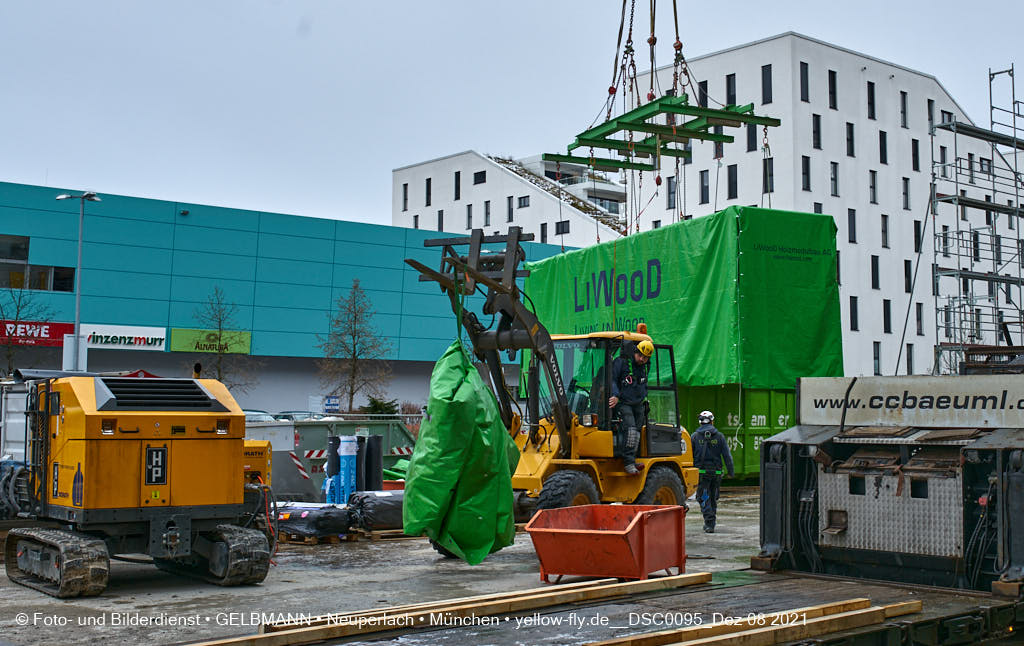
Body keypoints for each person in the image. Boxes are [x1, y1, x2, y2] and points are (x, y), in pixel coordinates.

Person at [609, 339, 654, 475]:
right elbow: (612, 380)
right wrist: (615, 395)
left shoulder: (645, 366)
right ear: (635, 351)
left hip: (638, 404)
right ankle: (628, 462)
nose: (642, 359)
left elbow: (642, 385)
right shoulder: (621, 362)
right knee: (631, 429)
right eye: (640, 355)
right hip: (623, 403)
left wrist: (644, 399)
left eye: (645, 358)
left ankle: (633, 458)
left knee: (638, 432)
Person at [692, 410, 734, 533]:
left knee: (703, 497)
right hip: (716, 473)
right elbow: (727, 456)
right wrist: (731, 472)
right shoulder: (720, 436)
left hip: (702, 473)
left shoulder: (694, 436)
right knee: (712, 498)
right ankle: (711, 522)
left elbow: (690, 456)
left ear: (700, 422)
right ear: (712, 421)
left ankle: (709, 522)